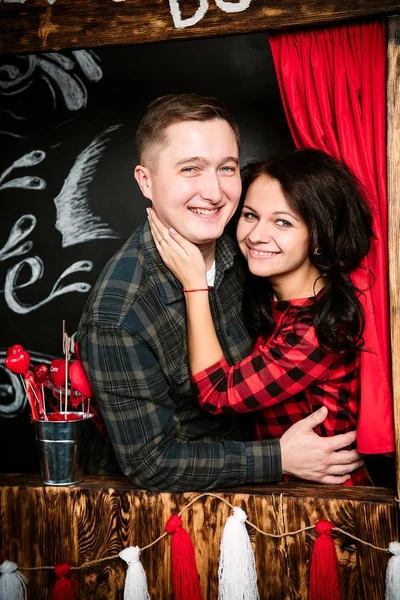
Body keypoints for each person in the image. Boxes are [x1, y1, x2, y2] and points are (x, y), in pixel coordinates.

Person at [76, 93, 363, 491]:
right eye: (190, 169)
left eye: (226, 168)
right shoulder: (119, 314)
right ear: (146, 180)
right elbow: (153, 464)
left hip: (300, 497)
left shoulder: (250, 246)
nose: (213, 192)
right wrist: (279, 457)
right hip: (183, 517)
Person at [148, 148, 373, 486]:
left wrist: (194, 285)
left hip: (329, 508)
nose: (256, 235)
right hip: (282, 499)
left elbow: (217, 394)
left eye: (282, 222)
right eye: (251, 215)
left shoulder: (320, 328)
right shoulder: (271, 296)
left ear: (319, 234)